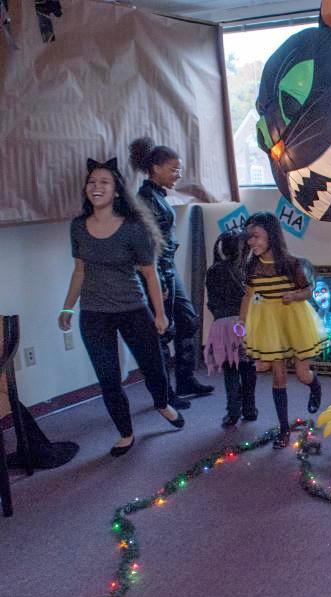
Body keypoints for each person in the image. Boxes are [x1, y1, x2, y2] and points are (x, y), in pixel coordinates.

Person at [58, 158, 185, 457]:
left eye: (104, 182)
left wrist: (160, 313)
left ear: (116, 191)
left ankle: (162, 403)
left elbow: (150, 273)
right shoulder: (78, 227)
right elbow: (79, 270)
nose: (96, 187)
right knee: (108, 379)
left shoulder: (133, 228)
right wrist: (67, 308)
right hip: (94, 313)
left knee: (154, 366)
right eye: (92, 182)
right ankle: (125, 432)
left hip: (132, 308)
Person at [128, 136, 213, 409]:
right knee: (163, 331)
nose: (178, 175)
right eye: (174, 169)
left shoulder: (157, 196)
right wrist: (161, 282)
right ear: (156, 168)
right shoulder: (145, 200)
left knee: (188, 320)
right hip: (157, 271)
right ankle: (164, 394)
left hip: (167, 268)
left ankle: (185, 380)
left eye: (179, 169)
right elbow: (150, 247)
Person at [238, 212, 327, 448]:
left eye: (256, 236)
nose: (251, 242)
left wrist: (294, 295)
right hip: (269, 325)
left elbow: (308, 290)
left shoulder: (291, 263)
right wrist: (241, 324)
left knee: (302, 374)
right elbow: (247, 297)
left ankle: (314, 385)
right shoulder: (252, 266)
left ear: (271, 235)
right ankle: (284, 429)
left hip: (294, 320)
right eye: (249, 237)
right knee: (278, 376)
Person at [204, 231, 258, 427]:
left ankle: (232, 411)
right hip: (243, 325)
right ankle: (249, 409)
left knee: (231, 369)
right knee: (248, 367)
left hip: (222, 326)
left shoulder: (213, 270)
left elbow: (211, 303)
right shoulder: (245, 271)